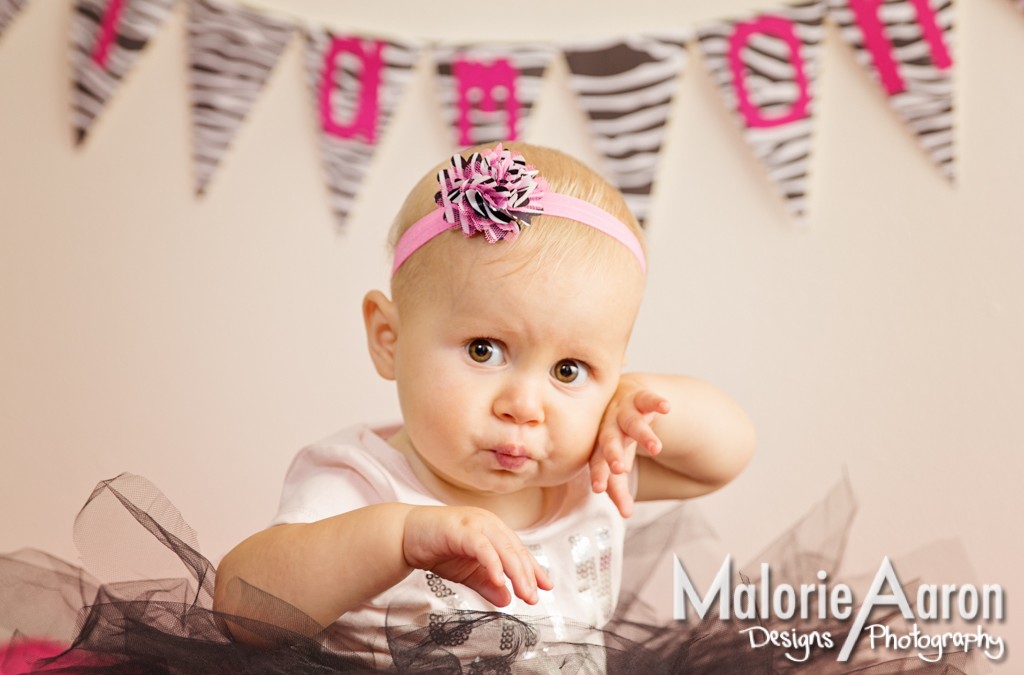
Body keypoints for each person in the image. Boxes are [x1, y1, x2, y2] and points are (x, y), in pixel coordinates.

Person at [212, 142, 756, 663]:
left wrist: (641, 398)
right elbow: (239, 608)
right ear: (389, 339)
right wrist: (398, 537)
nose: (524, 406)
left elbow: (726, 454)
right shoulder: (362, 483)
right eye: (483, 349)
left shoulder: (589, 473)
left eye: (570, 370)